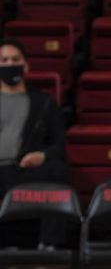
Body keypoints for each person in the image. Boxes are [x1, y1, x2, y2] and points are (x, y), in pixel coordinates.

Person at [0, 39, 67, 197]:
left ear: (26, 65)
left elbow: (59, 144)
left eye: (16, 59)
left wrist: (42, 156)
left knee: (57, 170)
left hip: (22, 170)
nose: (10, 64)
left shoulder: (44, 102)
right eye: (4, 60)